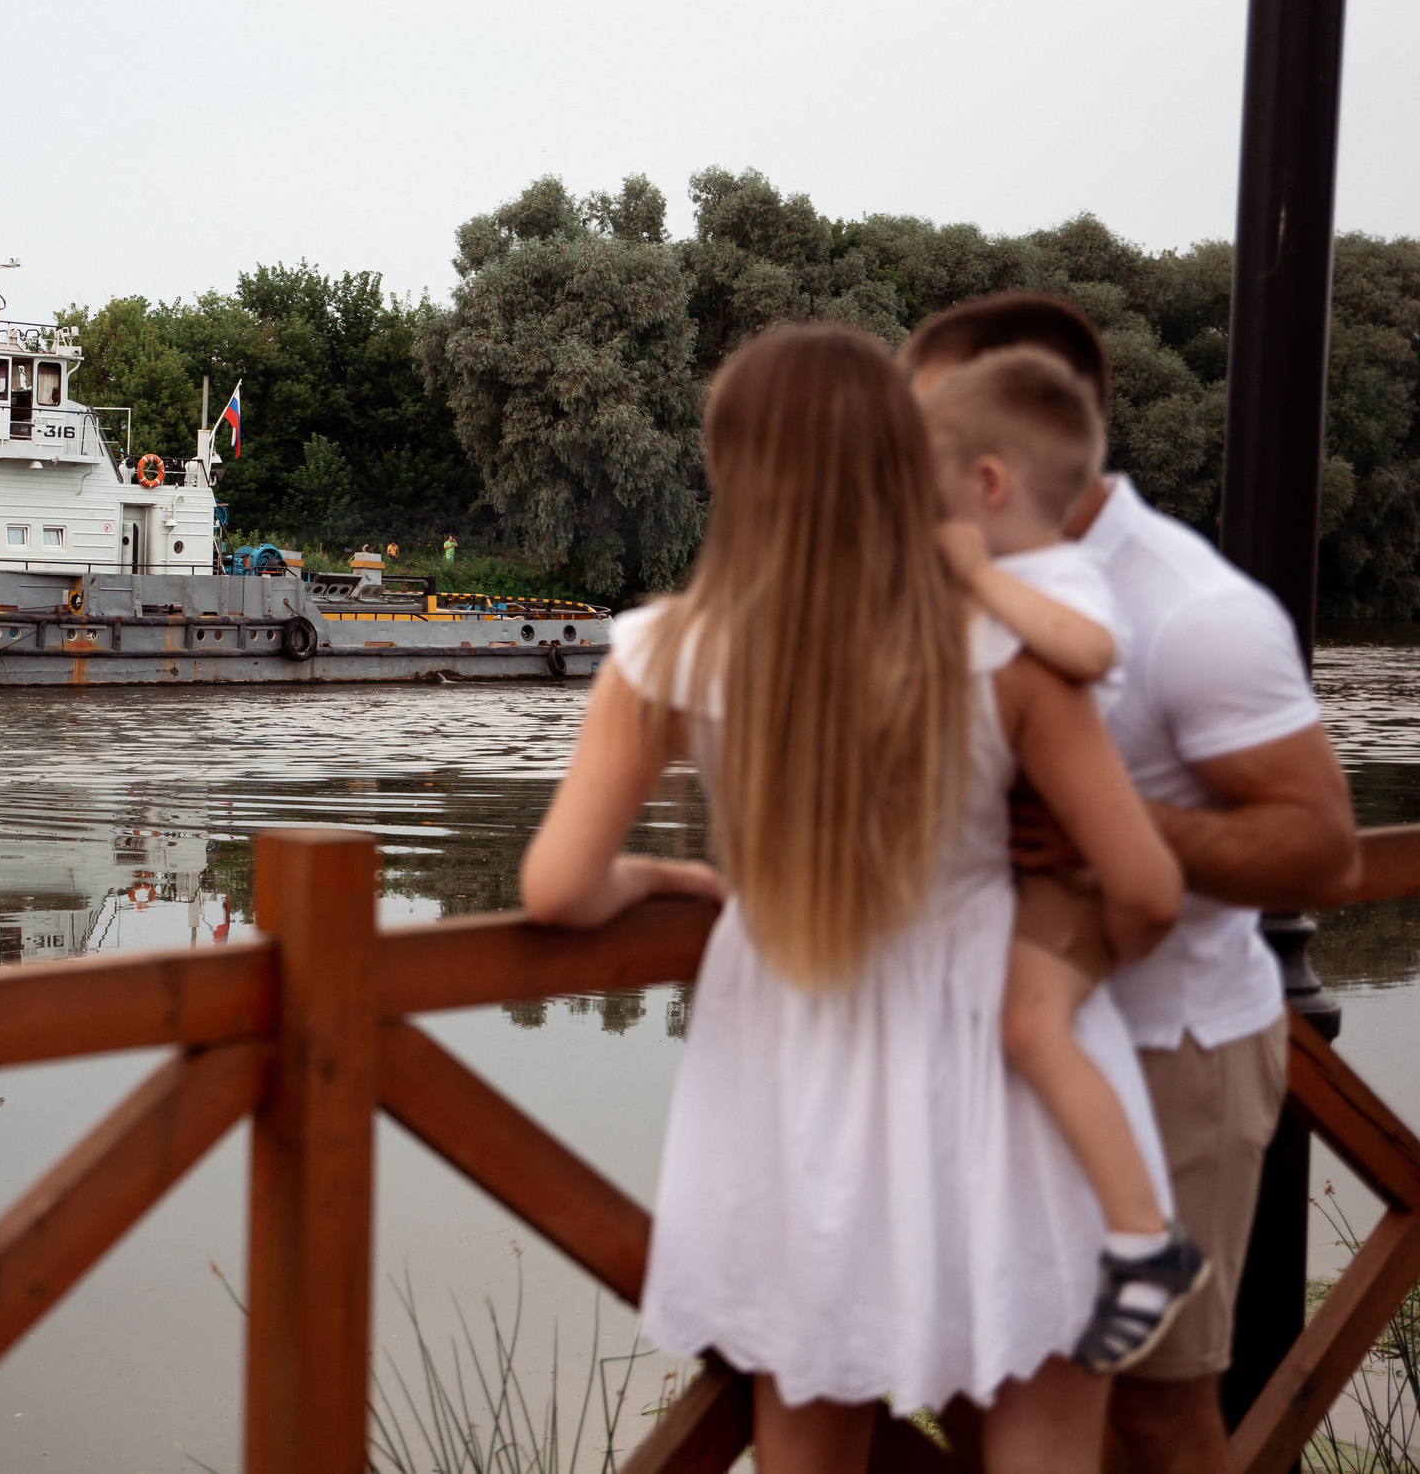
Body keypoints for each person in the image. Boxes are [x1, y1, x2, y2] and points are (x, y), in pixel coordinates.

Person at [520, 325, 1184, 1472]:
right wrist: (1079, 964)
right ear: (899, 456)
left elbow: (557, 889)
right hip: (1000, 1056)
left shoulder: (667, 655)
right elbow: (1144, 888)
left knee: (808, 1436)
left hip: (793, 1066)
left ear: (731, 469)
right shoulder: (1006, 645)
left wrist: (660, 876)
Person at [901, 293, 1361, 1474]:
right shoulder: (967, 578)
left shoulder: (1190, 611)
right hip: (993, 1043)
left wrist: (1118, 830)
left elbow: (1321, 849)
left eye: (928, 423)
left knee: (1151, 1408)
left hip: (1169, 1047)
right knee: (986, 1386)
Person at [921, 347, 1208, 1370]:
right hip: (1036, 875)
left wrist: (969, 581)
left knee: (1031, 1023)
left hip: (1066, 885)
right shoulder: (1024, 572)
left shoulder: (1056, 575)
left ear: (989, 486)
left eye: (933, 483)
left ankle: (1145, 1244)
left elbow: (1084, 653)